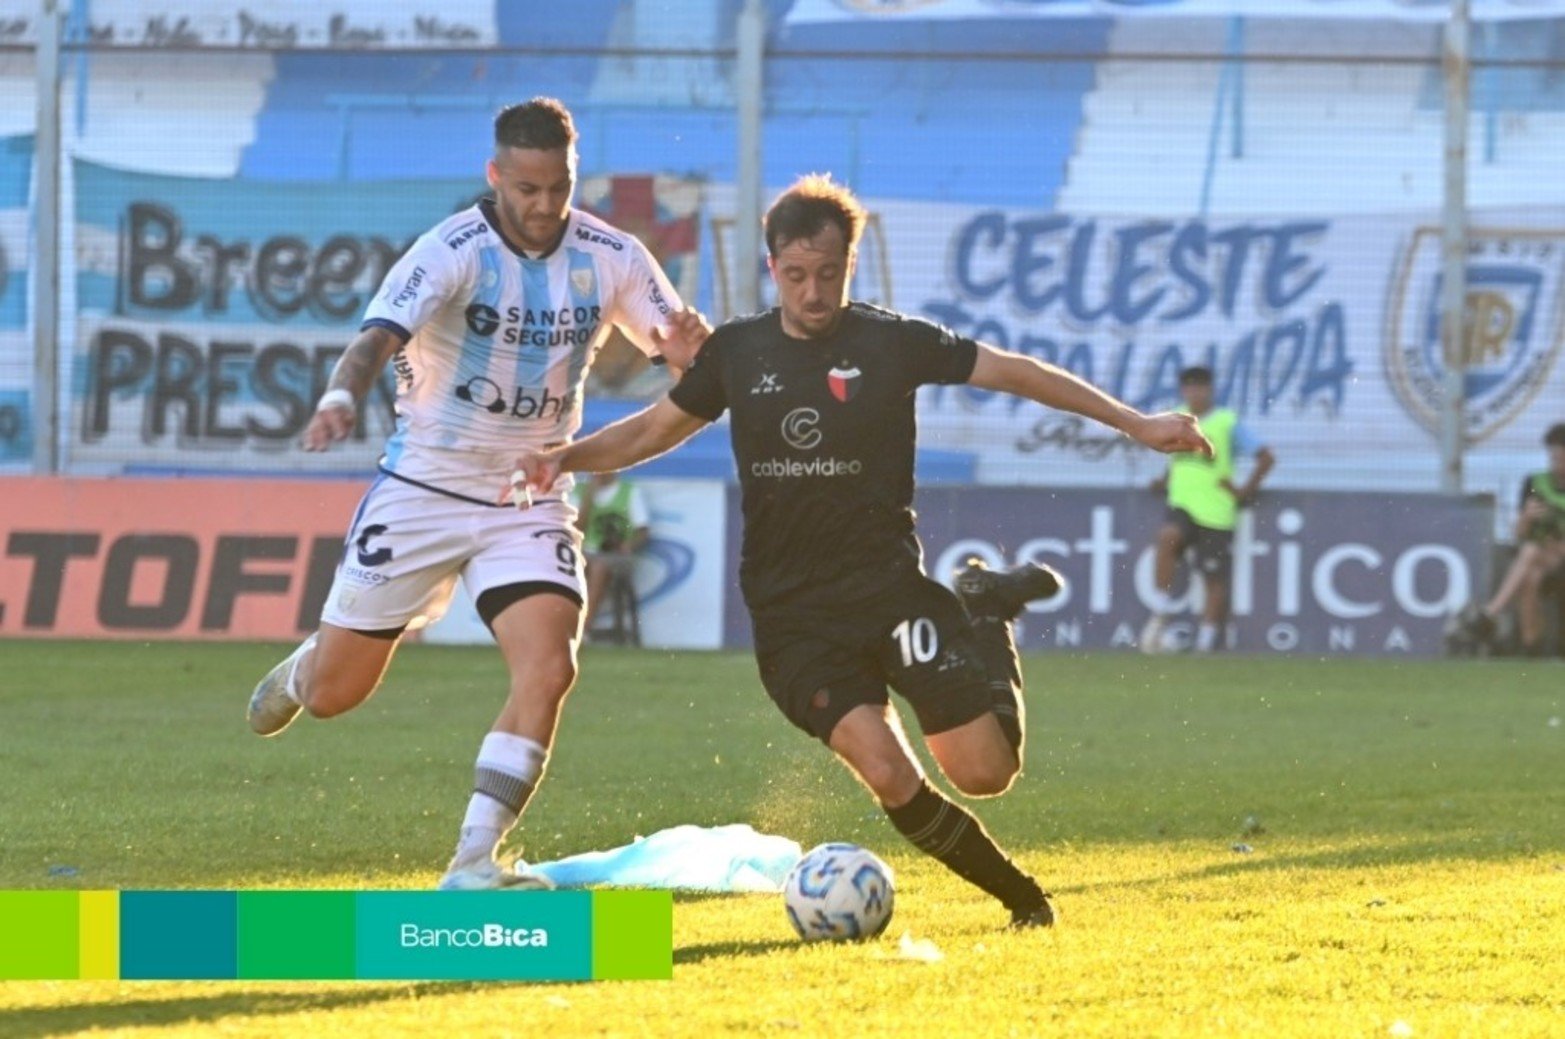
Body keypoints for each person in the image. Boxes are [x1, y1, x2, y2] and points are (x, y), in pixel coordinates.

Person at [507, 174, 1211, 928]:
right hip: (793, 620)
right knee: (886, 770)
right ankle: (1024, 900)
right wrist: (565, 458)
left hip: (888, 594)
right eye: (798, 275)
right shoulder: (737, 353)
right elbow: (650, 429)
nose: (814, 292)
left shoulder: (891, 341)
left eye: (830, 273)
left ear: (851, 264)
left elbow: (1016, 371)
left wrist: (1135, 423)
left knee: (985, 773)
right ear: (772, 268)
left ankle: (983, 609)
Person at [244, 97, 708, 891]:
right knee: (333, 696)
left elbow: (682, 351)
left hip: (527, 493)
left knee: (549, 667)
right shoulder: (449, 248)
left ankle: (471, 862)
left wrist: (694, 353)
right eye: (524, 187)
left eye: (556, 187)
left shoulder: (613, 256)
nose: (541, 206)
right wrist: (338, 396)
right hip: (422, 486)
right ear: (494, 177)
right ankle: (303, 670)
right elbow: (375, 340)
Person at [1139, 366, 1275, 654]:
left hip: (1216, 509)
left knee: (1213, 576)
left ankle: (1206, 642)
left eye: (1200, 387)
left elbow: (1265, 457)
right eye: (1189, 387)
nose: (1195, 393)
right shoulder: (1176, 418)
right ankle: (1161, 611)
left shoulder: (1227, 422)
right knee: (1167, 537)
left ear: (1210, 390)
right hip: (1183, 502)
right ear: (1183, 391)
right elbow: (1177, 459)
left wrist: (1244, 491)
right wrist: (1162, 481)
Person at [1453, 422, 1565, 656]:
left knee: (1532, 556)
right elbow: (1519, 534)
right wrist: (1527, 516)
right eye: (1553, 457)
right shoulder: (1535, 483)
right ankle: (1531, 645)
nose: (1556, 463)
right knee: (1531, 568)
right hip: (1540, 556)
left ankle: (1492, 614)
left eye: (1561, 457)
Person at [573, 471, 652, 634]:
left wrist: (628, 545)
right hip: (585, 551)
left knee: (599, 567)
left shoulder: (629, 491)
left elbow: (643, 532)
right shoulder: (579, 491)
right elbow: (576, 530)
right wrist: (589, 496)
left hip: (616, 555)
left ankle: (583, 628)